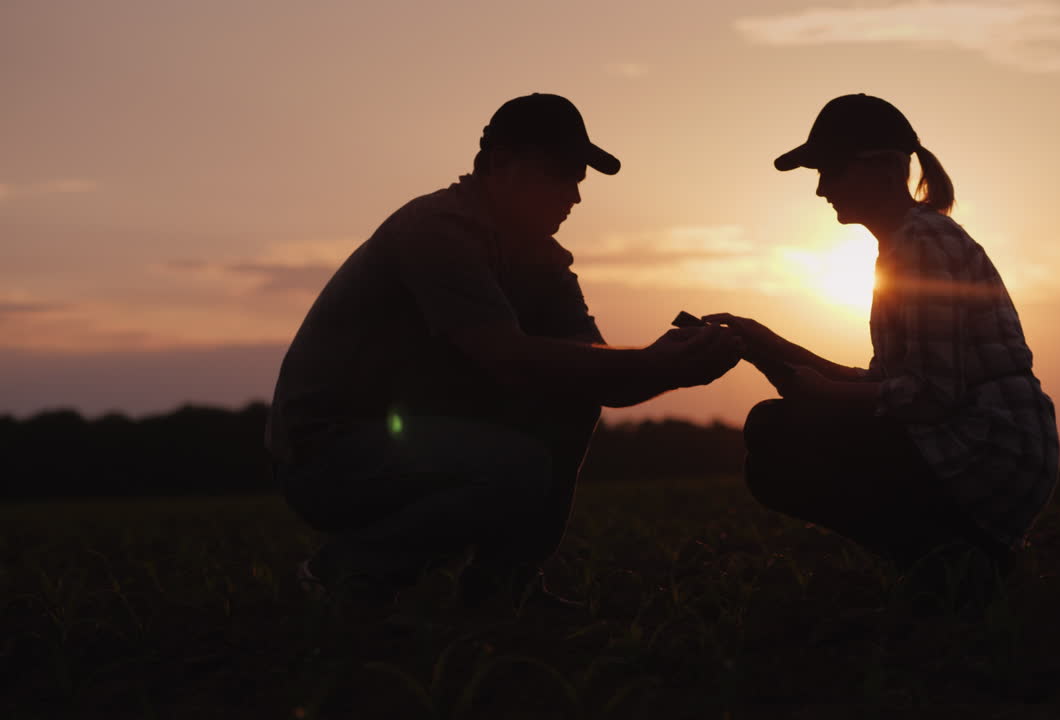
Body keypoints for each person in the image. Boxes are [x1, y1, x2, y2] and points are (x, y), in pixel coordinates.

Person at [266, 93, 742, 612]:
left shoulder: (541, 260)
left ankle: (502, 592)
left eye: (579, 177)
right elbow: (503, 356)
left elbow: (598, 374)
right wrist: (654, 363)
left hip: (420, 434)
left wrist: (675, 365)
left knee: (568, 404)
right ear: (498, 165)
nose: (574, 195)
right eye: (560, 172)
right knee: (518, 467)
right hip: (328, 453)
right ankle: (343, 572)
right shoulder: (437, 229)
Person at [707, 94, 1059, 610]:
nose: (822, 188)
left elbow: (929, 396)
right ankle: (949, 561)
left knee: (776, 434)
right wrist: (766, 345)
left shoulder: (920, 245)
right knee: (775, 431)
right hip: (973, 440)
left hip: (989, 449)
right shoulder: (904, 245)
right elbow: (888, 384)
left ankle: (952, 561)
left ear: (884, 168)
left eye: (831, 170)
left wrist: (822, 393)